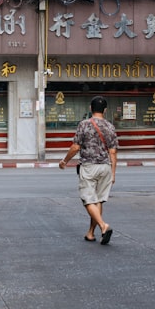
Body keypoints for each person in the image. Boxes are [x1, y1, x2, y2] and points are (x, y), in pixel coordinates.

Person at [58, 96, 118, 244]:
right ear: (105, 110)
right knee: (98, 201)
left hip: (89, 167)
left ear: (90, 108)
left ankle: (103, 226)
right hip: (105, 167)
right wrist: (113, 173)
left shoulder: (84, 125)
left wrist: (65, 161)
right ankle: (91, 233)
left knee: (87, 199)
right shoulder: (110, 126)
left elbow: (76, 147)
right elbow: (113, 152)